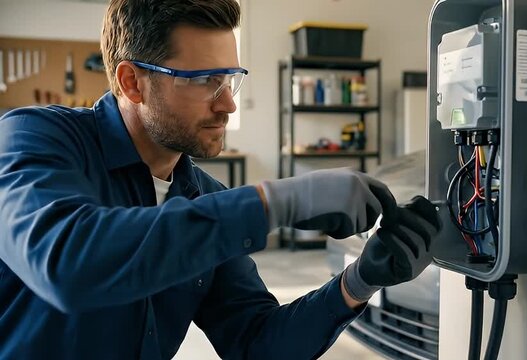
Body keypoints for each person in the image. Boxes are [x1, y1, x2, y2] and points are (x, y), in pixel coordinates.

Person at [0, 1, 441, 359]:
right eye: (205, 81)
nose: (228, 104)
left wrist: (358, 281)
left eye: (230, 78)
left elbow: (256, 343)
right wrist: (273, 202)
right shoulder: (35, 138)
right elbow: (67, 264)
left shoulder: (203, 197)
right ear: (132, 82)